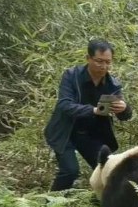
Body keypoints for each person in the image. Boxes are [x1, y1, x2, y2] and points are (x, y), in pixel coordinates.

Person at [43, 39, 133, 191]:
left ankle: (103, 206)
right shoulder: (71, 76)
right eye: (99, 61)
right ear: (88, 58)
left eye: (107, 62)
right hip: (64, 132)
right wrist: (93, 110)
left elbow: (124, 117)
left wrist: (124, 108)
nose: (103, 66)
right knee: (70, 171)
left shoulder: (112, 84)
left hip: (91, 135)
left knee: (107, 170)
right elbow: (64, 105)